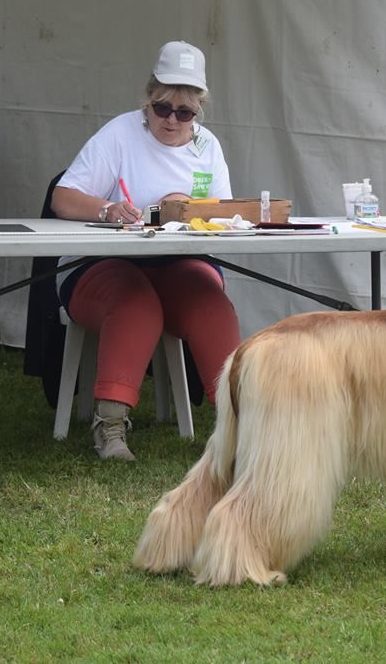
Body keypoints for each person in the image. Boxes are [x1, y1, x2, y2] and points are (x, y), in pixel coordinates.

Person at [51, 41, 241, 462]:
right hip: (102, 264)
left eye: (185, 112)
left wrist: (188, 209)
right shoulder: (120, 134)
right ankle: (111, 427)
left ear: (199, 111)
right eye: (162, 108)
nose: (172, 120)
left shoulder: (207, 146)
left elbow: (226, 215)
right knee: (136, 304)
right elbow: (63, 198)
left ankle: (240, 425)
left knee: (211, 304)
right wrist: (106, 209)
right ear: (148, 99)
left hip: (180, 261)